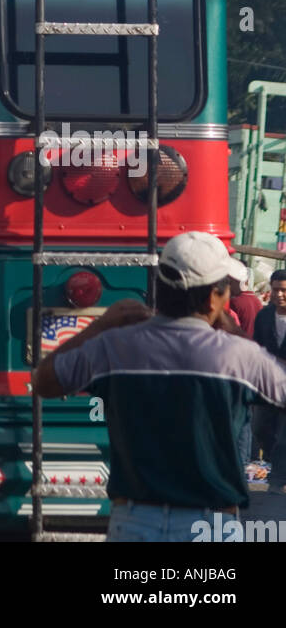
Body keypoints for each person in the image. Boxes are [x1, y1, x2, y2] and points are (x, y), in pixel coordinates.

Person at [33, 231, 286, 541]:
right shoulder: (239, 356)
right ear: (212, 298)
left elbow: (44, 382)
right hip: (210, 521)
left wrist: (100, 325)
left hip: (134, 519)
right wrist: (235, 335)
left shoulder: (115, 346)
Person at [253, 268, 286, 493]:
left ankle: (279, 478)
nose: (279, 295)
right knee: (260, 427)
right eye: (275, 290)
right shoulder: (264, 316)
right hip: (267, 385)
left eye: (283, 290)